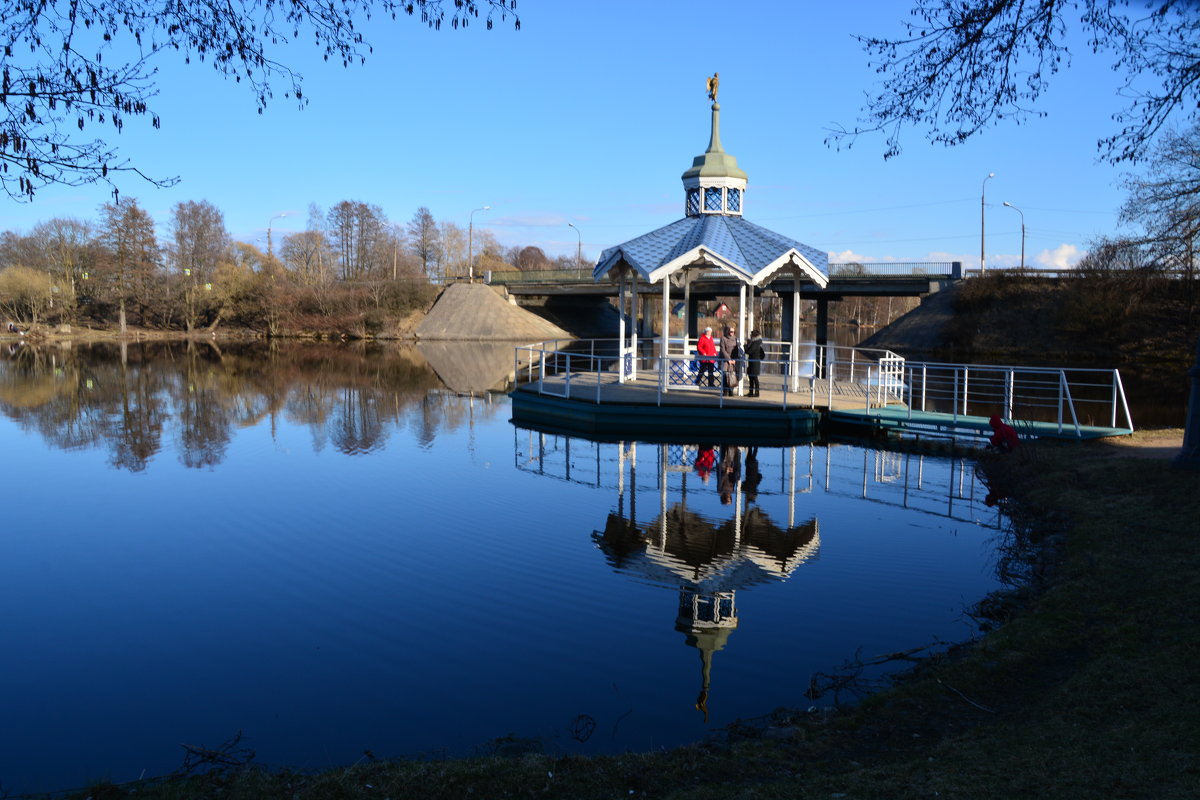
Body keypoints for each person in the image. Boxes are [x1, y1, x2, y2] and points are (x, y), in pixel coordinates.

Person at [718, 324, 741, 396]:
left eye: (733, 332)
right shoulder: (723, 338)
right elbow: (722, 350)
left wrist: (735, 359)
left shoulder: (735, 339)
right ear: (728, 331)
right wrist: (728, 359)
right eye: (731, 332)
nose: (732, 333)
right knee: (725, 375)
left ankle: (731, 391)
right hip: (725, 360)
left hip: (733, 360)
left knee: (732, 375)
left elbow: (737, 350)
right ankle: (725, 391)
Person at [744, 329, 765, 397]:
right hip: (754, 362)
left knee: (754, 377)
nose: (750, 336)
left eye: (751, 335)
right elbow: (762, 354)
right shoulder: (757, 342)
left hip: (754, 363)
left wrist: (745, 346)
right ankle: (751, 391)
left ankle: (756, 392)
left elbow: (750, 351)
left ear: (754, 336)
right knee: (751, 377)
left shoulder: (755, 343)